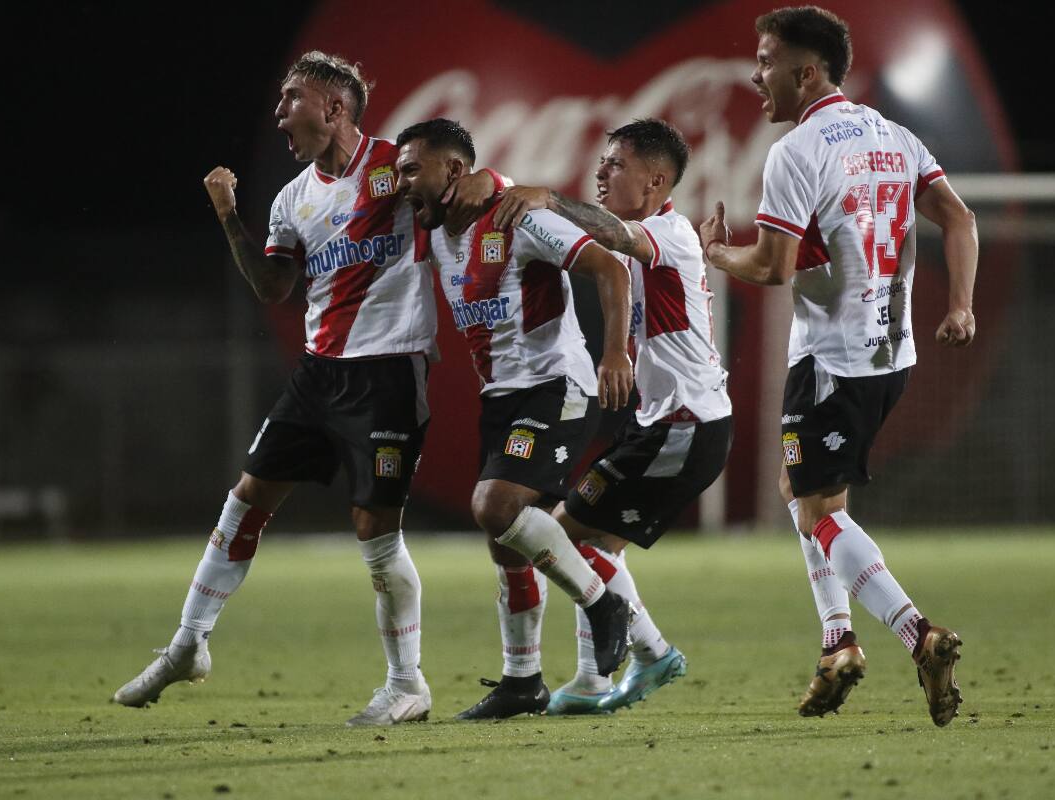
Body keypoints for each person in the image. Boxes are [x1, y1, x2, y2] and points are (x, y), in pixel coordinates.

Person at [112, 51, 497, 727]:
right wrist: (230, 214)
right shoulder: (293, 198)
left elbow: (462, 186)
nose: (279, 112)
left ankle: (407, 684)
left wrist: (505, 184)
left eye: (291, 97)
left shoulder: (397, 166)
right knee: (244, 500)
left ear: (333, 106)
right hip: (319, 376)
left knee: (374, 531)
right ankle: (186, 644)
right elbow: (273, 287)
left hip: (389, 373)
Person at [699, 6, 977, 727]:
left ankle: (919, 635)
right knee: (807, 494)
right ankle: (837, 643)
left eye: (765, 61)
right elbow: (961, 218)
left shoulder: (797, 151)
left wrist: (714, 253)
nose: (755, 75)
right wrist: (961, 306)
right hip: (893, 355)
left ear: (806, 71)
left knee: (814, 508)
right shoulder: (896, 136)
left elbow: (771, 264)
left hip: (832, 359)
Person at [394, 117, 637, 720]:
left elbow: (611, 267)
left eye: (411, 170)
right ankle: (522, 681)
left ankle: (602, 603)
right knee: (505, 542)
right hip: (502, 397)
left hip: (557, 386)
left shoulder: (513, 216)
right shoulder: (433, 232)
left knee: (495, 506)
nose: (401, 184)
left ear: (453, 171)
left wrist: (614, 351)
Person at [491, 118, 732, 714]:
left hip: (684, 424)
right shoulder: (669, 234)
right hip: (664, 422)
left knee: (562, 534)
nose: (601, 171)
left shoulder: (665, 232)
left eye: (615, 164)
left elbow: (616, 241)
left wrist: (549, 198)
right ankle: (594, 679)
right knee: (596, 542)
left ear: (655, 179)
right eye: (602, 162)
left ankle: (652, 653)